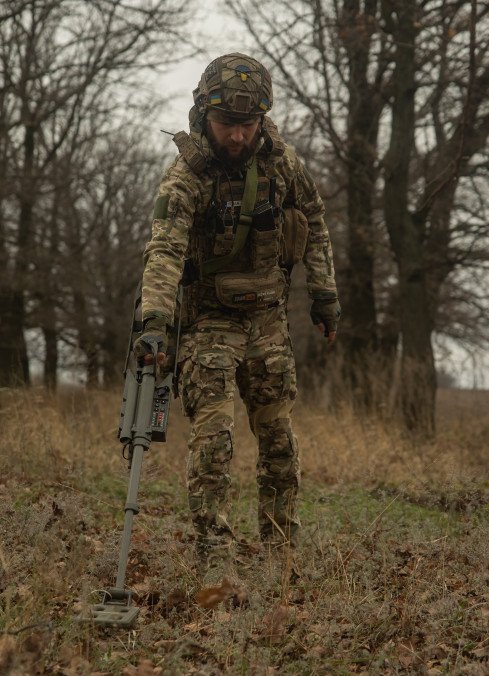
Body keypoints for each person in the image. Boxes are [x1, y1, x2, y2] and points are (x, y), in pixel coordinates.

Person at [135, 53, 340, 575]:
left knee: (278, 440)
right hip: (208, 321)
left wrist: (324, 294)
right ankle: (216, 556)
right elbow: (163, 249)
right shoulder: (186, 175)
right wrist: (155, 324)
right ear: (204, 114)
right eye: (227, 124)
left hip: (268, 319)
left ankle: (280, 552)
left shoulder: (282, 163)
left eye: (246, 125)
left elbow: (314, 221)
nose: (235, 137)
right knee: (214, 439)